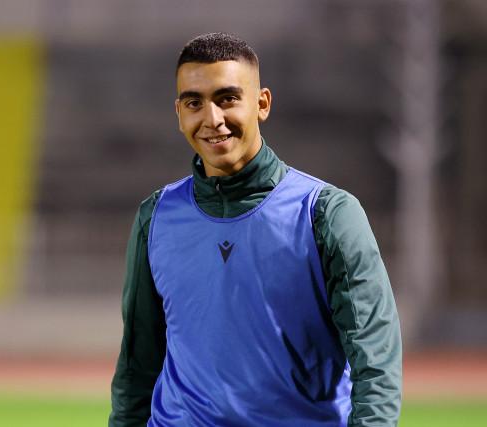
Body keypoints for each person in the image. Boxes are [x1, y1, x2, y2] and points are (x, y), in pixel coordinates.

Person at [109, 32, 402, 427]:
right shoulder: (156, 216)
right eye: (194, 103)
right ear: (179, 113)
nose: (212, 119)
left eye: (227, 99)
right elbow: (137, 366)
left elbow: (375, 358)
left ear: (262, 103)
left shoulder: (326, 213)